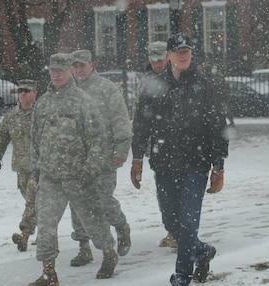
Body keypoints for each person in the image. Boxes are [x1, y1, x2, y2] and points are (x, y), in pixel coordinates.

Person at [130, 33, 229, 286]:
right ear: (169, 56)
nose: (183, 54)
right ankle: (202, 251)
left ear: (191, 54)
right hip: (164, 164)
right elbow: (141, 124)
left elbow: (218, 126)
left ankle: (182, 274)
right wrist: (137, 158)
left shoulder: (204, 85)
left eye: (187, 50)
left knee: (187, 222)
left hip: (196, 164)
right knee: (171, 222)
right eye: (178, 51)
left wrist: (218, 166)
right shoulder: (154, 85)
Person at [29, 53, 118, 286]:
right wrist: (35, 169)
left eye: (61, 69)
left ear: (70, 71)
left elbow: (97, 139)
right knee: (46, 225)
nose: (56, 74)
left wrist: (91, 169)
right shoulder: (43, 103)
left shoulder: (83, 101)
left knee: (94, 222)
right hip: (50, 176)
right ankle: (49, 272)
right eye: (52, 70)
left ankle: (109, 253)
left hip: (79, 176)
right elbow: (35, 139)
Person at [69, 49, 132, 265]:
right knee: (77, 205)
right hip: (77, 161)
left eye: (82, 66)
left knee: (103, 201)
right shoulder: (68, 92)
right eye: (75, 66)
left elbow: (121, 120)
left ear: (92, 65)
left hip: (104, 158)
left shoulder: (107, 89)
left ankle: (121, 226)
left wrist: (121, 151)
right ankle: (83, 247)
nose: (79, 70)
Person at [0, 79, 38, 252]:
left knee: (32, 199)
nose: (23, 93)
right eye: (20, 91)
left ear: (34, 93)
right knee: (33, 201)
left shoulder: (41, 114)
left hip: (40, 167)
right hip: (21, 167)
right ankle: (46, 232)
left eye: (27, 90)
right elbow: (2, 137)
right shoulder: (12, 115)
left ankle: (24, 234)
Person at [137, 41, 177, 249]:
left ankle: (178, 231)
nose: (156, 64)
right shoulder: (146, 81)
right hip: (156, 146)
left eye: (160, 59)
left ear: (168, 57)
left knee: (177, 190)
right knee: (164, 191)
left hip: (177, 144)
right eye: (152, 60)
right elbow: (141, 115)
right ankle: (173, 229)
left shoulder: (177, 78)